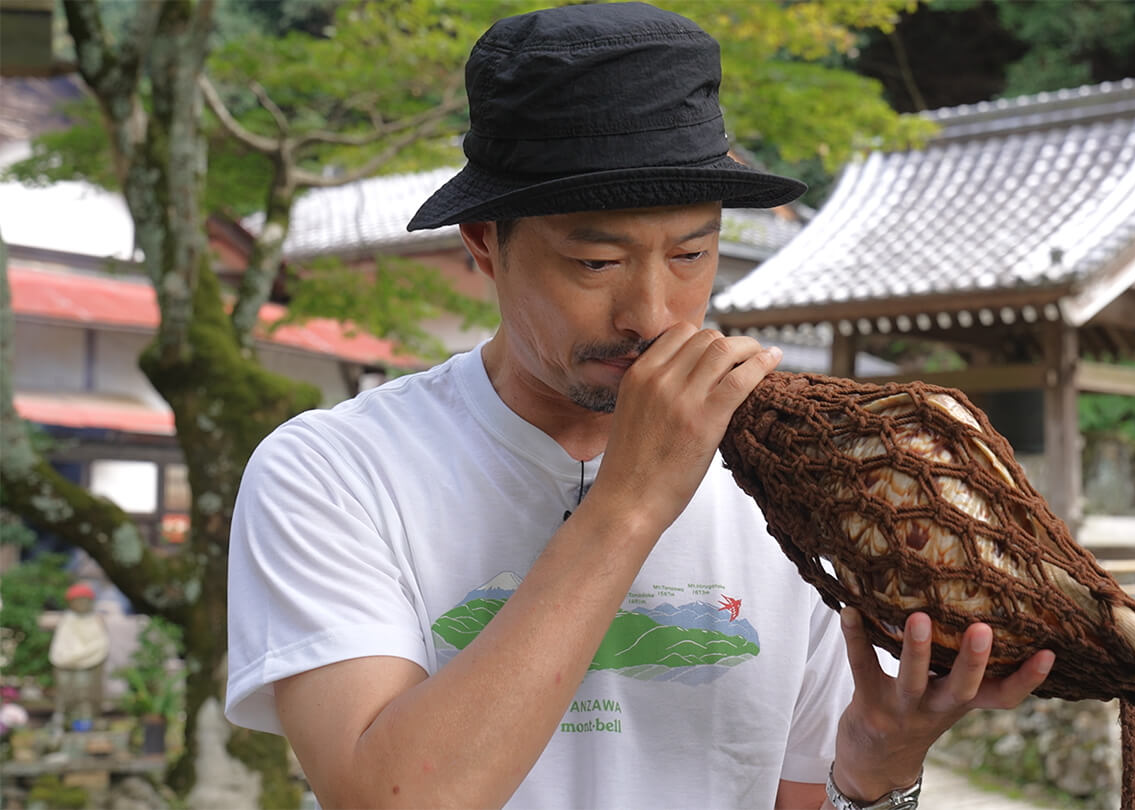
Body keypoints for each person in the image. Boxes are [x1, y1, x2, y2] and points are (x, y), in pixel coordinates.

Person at [224, 4, 1055, 808]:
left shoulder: (791, 487)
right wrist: (629, 504)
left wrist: (877, 771)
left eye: (692, 252)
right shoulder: (332, 472)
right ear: (484, 243)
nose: (653, 313)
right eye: (595, 261)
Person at [49, 582, 108, 732]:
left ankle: (87, 722)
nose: (81, 604)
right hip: (66, 663)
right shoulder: (67, 621)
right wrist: (71, 658)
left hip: (90, 663)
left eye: (84, 600)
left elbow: (99, 645)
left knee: (86, 694)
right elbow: (61, 648)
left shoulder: (95, 620)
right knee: (66, 692)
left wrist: (82, 656)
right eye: (78, 600)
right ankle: (63, 720)